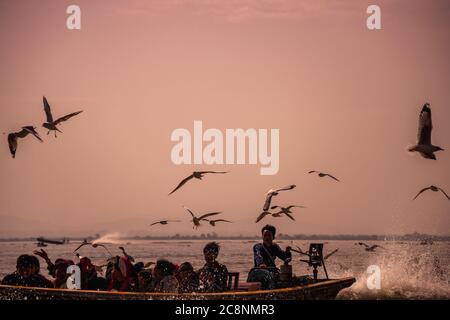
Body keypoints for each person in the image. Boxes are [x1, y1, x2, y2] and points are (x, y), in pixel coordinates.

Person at [247, 224, 291, 290]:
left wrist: (287, 252)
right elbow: (258, 256)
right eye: (265, 235)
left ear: (273, 237)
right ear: (262, 237)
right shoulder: (258, 246)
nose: (267, 237)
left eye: (269, 235)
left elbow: (284, 257)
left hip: (272, 272)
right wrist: (261, 264)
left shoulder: (275, 247)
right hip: (259, 273)